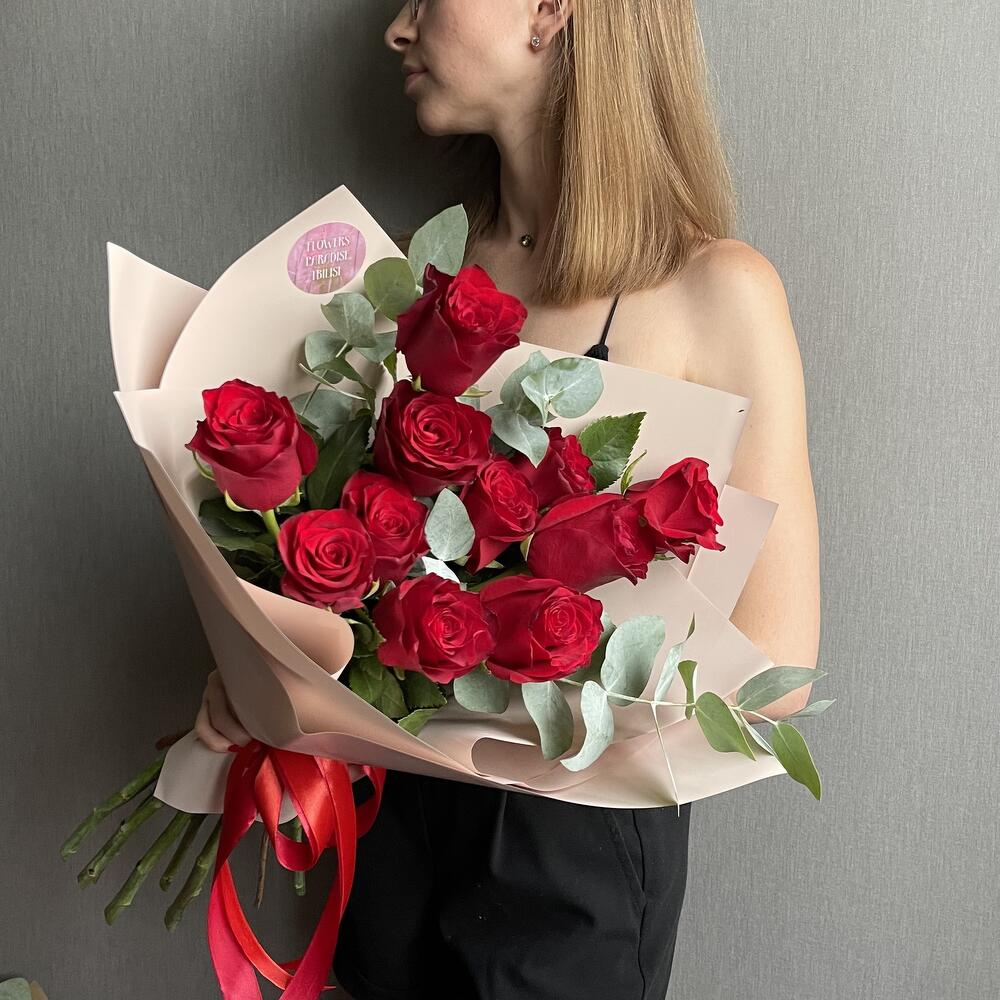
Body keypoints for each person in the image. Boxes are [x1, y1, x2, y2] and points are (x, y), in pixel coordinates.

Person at [194, 1, 822, 997]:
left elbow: (776, 672)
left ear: (550, 10)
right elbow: (355, 576)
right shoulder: (420, 277)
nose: (398, 29)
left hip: (570, 863)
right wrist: (275, 676)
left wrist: (517, 653)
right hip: (394, 828)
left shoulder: (717, 290)